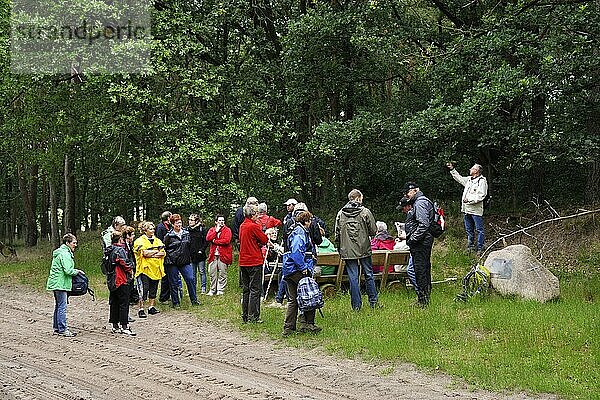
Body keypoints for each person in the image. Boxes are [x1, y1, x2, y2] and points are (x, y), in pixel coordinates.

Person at [334, 189, 378, 311]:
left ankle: (356, 306)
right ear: (358, 198)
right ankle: (373, 302)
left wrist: (340, 247)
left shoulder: (340, 213)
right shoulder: (365, 212)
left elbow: (337, 234)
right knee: (368, 274)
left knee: (353, 277)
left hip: (347, 250)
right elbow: (374, 231)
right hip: (364, 247)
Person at [282, 210, 321, 336]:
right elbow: (296, 252)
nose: (311, 223)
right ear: (306, 221)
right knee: (310, 293)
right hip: (296, 269)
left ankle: (288, 328)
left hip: (289, 269)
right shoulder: (300, 233)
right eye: (310, 220)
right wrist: (303, 266)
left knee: (293, 299)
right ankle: (308, 324)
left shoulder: (296, 230)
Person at [403, 182, 435, 307]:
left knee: (421, 271)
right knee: (423, 270)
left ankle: (423, 301)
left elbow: (424, 225)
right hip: (423, 241)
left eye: (408, 192)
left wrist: (412, 239)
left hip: (421, 242)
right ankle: (424, 298)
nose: (406, 195)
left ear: (415, 190)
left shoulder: (420, 202)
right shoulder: (421, 201)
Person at [46, 233, 84, 337]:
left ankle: (57, 328)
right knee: (62, 306)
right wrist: (78, 272)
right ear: (67, 243)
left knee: (58, 305)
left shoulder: (60, 252)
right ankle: (63, 329)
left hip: (56, 283)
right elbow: (68, 270)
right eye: (73, 243)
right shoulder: (65, 254)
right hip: (61, 283)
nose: (75, 245)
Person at [447, 162, 488, 253]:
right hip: (467, 210)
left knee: (479, 229)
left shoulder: (482, 181)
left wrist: (469, 200)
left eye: (472, 168)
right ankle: (470, 247)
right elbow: (459, 178)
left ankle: (480, 248)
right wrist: (452, 169)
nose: (470, 169)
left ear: (476, 171)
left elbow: (481, 195)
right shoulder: (469, 180)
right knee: (469, 229)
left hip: (476, 210)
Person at [238, 204, 269, 323]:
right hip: (254, 261)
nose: (258, 215)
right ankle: (253, 316)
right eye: (256, 213)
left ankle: (245, 315)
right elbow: (264, 240)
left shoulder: (242, 226)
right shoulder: (253, 226)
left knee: (246, 290)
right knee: (255, 289)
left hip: (243, 261)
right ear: (252, 215)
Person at [163, 214, 199, 306]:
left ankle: (194, 300)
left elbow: (190, 246)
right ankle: (176, 302)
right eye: (176, 223)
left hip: (185, 261)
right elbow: (165, 248)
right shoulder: (169, 236)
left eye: (180, 222)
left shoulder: (186, 233)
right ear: (172, 224)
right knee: (174, 282)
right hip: (172, 262)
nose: (179, 224)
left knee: (190, 279)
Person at [134, 221, 166, 318]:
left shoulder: (158, 240)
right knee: (144, 289)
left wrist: (151, 252)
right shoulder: (139, 241)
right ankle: (141, 309)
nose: (153, 230)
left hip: (156, 268)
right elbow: (144, 253)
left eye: (153, 229)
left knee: (154, 288)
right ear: (145, 230)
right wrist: (156, 251)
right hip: (145, 269)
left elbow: (163, 253)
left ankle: (151, 307)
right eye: (150, 229)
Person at [107, 230, 136, 336]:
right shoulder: (120, 250)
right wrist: (131, 270)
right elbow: (124, 263)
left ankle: (115, 325)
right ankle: (124, 325)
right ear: (120, 239)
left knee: (114, 302)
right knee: (124, 302)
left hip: (111, 279)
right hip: (120, 279)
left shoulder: (109, 249)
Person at [206, 215, 233, 296]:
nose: (221, 222)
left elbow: (226, 241)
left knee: (222, 272)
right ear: (216, 222)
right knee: (212, 272)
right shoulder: (212, 229)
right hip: (213, 255)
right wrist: (216, 232)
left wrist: (215, 241)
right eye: (220, 220)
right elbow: (208, 238)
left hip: (223, 254)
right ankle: (212, 289)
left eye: (223, 220)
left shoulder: (227, 230)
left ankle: (220, 289)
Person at [396, 197, 418, 293]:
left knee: (411, 270)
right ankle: (422, 290)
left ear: (409, 206)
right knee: (413, 270)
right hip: (413, 244)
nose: (402, 211)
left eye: (403, 208)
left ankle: (421, 291)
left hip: (416, 245)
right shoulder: (412, 214)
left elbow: (418, 230)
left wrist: (408, 238)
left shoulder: (415, 214)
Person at [188, 214, 208, 294]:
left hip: (200, 254)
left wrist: (201, 250)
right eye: (189, 220)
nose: (190, 221)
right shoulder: (187, 230)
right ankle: (193, 288)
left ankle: (203, 288)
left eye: (191, 220)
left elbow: (206, 242)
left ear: (196, 221)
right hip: (191, 255)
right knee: (193, 273)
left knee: (202, 271)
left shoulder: (202, 229)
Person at [156, 211, 173, 303]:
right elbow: (159, 241)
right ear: (168, 218)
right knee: (165, 277)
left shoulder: (169, 227)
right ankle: (163, 297)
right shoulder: (160, 227)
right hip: (163, 254)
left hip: (169, 254)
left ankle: (168, 295)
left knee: (170, 276)